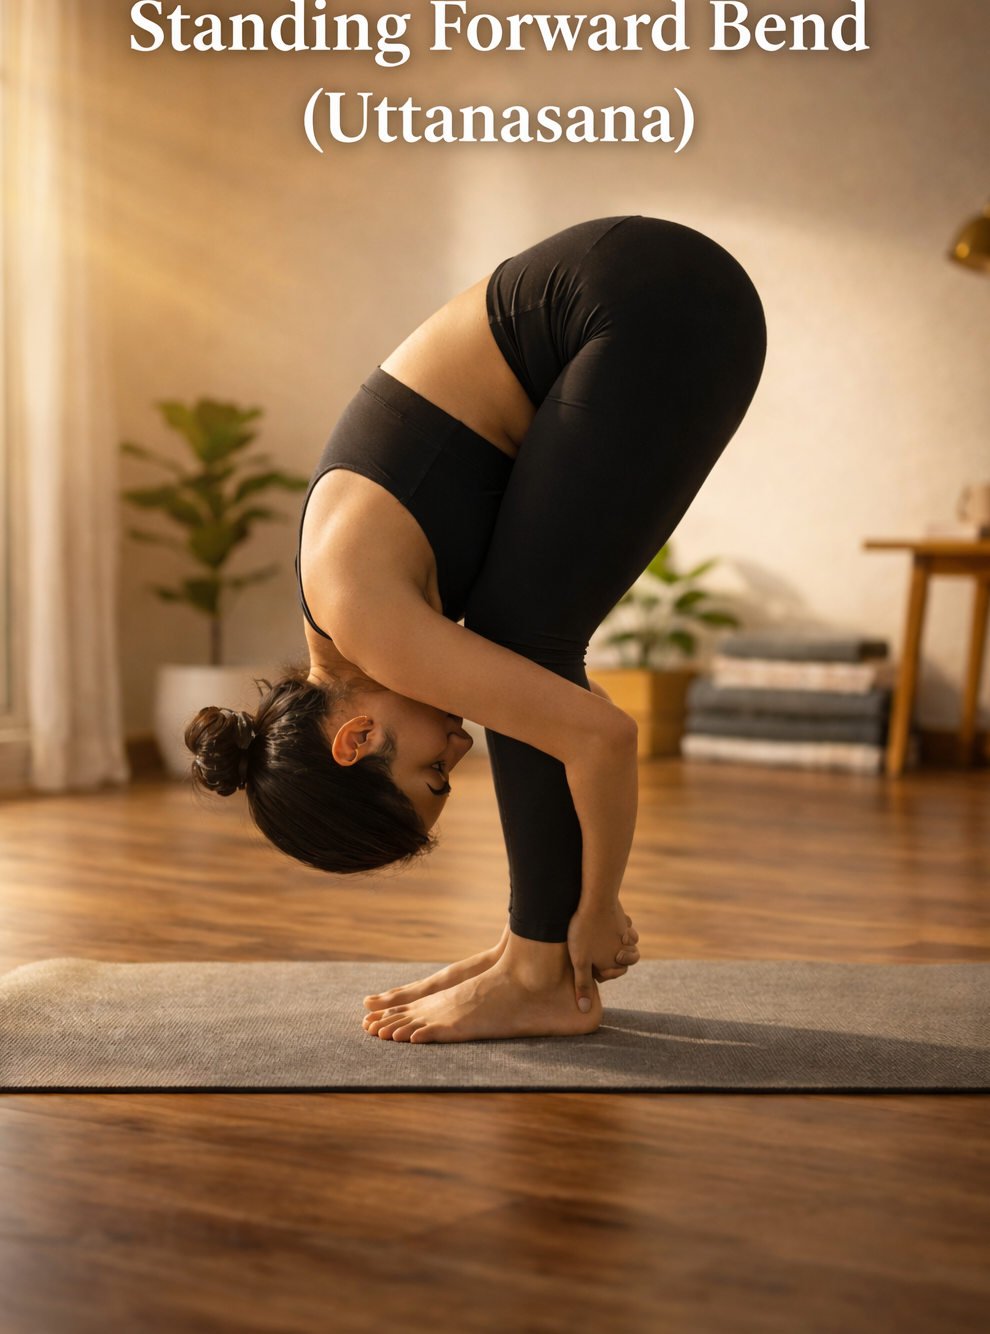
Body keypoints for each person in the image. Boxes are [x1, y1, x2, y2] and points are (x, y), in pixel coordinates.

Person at [186, 217, 766, 1043]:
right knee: (521, 645)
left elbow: (602, 737)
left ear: (354, 738)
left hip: (650, 303)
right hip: (652, 290)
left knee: (527, 646)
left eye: (432, 775)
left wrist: (598, 909)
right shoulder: (344, 616)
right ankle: (523, 952)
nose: (457, 753)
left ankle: (539, 970)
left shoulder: (370, 626)